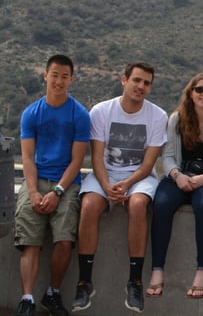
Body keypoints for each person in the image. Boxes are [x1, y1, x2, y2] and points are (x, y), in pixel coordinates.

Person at [72, 62, 168, 314]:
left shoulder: (158, 116)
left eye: (147, 83)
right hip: (105, 173)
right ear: (124, 80)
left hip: (138, 177)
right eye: (137, 80)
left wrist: (126, 184)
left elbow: (149, 165)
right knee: (89, 205)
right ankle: (84, 282)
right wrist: (106, 185)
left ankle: (134, 282)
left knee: (137, 205)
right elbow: (96, 157)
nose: (141, 86)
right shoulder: (101, 111)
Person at [13, 55, 91, 316]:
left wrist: (58, 191)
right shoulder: (31, 114)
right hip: (36, 179)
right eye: (54, 75)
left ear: (72, 79)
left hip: (66, 182)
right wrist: (33, 192)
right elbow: (27, 157)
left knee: (64, 239)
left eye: (64, 76)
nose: (59, 81)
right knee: (30, 238)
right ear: (45, 76)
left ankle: (52, 293)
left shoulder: (79, 115)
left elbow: (77, 160)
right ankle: (27, 298)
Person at [146, 72, 203, 300]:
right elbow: (168, 157)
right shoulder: (176, 120)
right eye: (199, 89)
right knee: (161, 204)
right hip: (177, 178)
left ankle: (202, 272)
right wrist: (177, 175)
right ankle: (157, 270)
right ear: (190, 93)